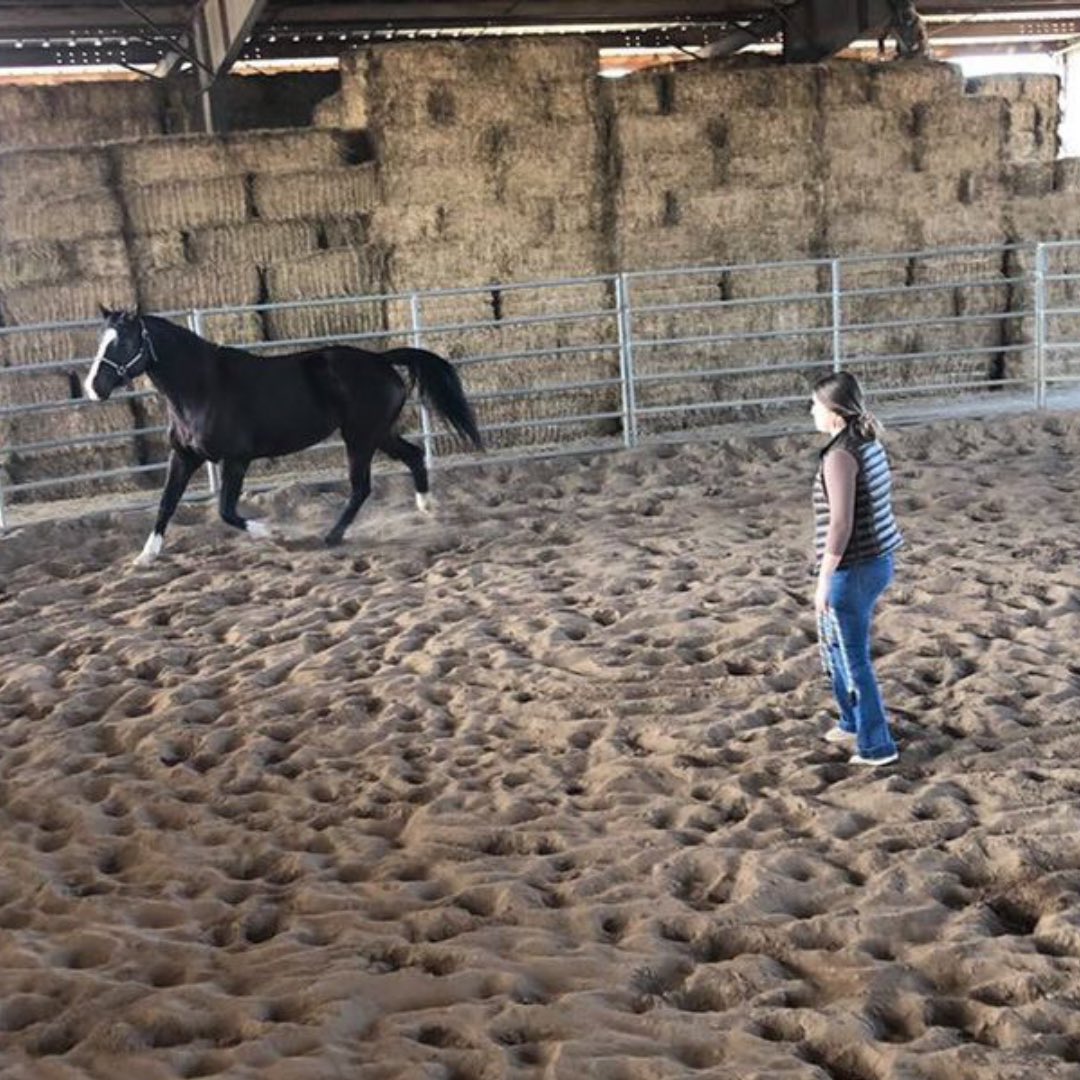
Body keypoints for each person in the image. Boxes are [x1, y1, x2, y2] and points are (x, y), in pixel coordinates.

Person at [811, 372, 903, 766]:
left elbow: (841, 524)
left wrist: (824, 579)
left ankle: (877, 746)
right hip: (878, 558)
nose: (812, 412)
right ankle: (851, 721)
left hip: (855, 568)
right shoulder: (867, 441)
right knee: (837, 646)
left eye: (816, 405)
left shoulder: (840, 456)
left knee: (852, 658)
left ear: (834, 413)